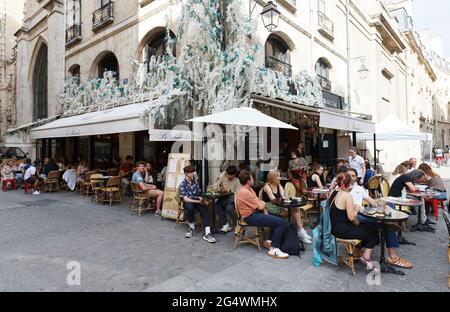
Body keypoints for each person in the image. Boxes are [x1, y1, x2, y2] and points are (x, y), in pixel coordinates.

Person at [347, 168, 413, 268]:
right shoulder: (343, 190)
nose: (351, 178)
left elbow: (372, 201)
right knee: (385, 223)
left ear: (356, 177)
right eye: (349, 176)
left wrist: (381, 204)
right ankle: (393, 256)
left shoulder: (359, 189)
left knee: (385, 219)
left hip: (362, 214)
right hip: (353, 216)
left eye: (353, 176)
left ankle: (390, 255)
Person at [329, 173, 379, 271]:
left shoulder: (333, 192)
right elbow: (351, 217)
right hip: (343, 230)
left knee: (366, 226)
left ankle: (359, 252)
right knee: (373, 230)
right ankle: (366, 257)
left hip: (334, 227)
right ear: (350, 184)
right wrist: (356, 209)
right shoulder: (347, 196)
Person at [236, 171, 289, 259]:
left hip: (255, 212)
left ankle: (270, 241)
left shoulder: (249, 189)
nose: (254, 180)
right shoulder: (245, 192)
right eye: (252, 178)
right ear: (248, 181)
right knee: (281, 222)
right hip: (250, 217)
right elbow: (260, 205)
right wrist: (263, 205)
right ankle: (274, 249)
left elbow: (259, 202)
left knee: (278, 218)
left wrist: (263, 206)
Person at [262, 169, 312, 244]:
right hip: (270, 207)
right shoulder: (267, 186)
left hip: (278, 205)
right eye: (278, 176)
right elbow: (273, 200)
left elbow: (284, 196)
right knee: (295, 211)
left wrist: (283, 191)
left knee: (296, 209)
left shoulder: (278, 185)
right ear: (273, 177)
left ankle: (300, 231)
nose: (280, 178)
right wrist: (284, 198)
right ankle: (300, 232)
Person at [178, 165, 216, 243]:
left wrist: (201, 198)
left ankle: (207, 232)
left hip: (196, 200)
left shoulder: (195, 182)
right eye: (191, 172)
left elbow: (198, 193)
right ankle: (191, 228)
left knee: (204, 209)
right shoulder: (182, 184)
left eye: (193, 172)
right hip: (188, 202)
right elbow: (185, 199)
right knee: (189, 208)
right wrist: (198, 201)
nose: (193, 173)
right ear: (186, 173)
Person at [213, 165, 240, 233]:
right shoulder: (223, 178)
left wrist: (229, 190)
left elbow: (238, 193)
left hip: (231, 199)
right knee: (215, 206)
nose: (228, 176)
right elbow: (216, 187)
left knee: (229, 208)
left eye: (230, 175)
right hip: (222, 198)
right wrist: (219, 189)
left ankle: (238, 224)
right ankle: (226, 224)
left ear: (234, 174)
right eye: (227, 174)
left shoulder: (237, 181)